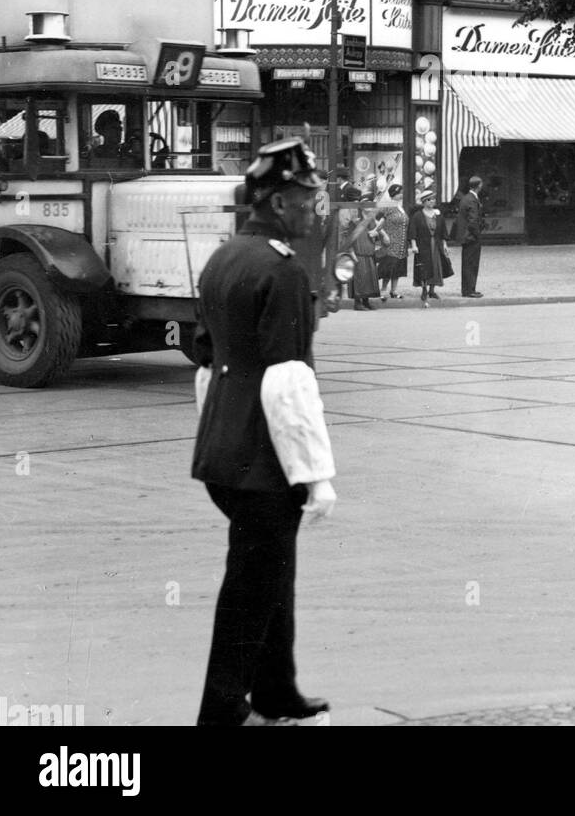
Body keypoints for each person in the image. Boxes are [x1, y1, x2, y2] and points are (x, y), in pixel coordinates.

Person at [191, 137, 336, 728]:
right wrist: (316, 474)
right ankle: (222, 711)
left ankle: (278, 692)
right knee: (252, 589)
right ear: (277, 202)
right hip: (265, 460)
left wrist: (217, 436)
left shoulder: (224, 258)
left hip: (225, 455)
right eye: (305, 197)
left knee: (272, 572)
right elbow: (288, 383)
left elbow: (206, 364)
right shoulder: (282, 271)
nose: (313, 209)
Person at [409, 190, 451, 307]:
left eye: (433, 199)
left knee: (436, 267)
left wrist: (445, 245)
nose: (432, 201)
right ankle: (424, 289)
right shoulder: (417, 216)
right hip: (423, 245)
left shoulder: (438, 215)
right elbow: (413, 231)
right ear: (423, 202)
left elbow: (443, 231)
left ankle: (432, 290)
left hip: (436, 245)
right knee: (423, 268)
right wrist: (413, 245)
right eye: (429, 199)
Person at [349, 202, 384, 311]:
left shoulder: (372, 221)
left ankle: (366, 301)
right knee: (360, 278)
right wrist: (351, 253)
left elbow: (377, 238)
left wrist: (376, 234)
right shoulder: (355, 222)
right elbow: (349, 239)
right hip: (358, 253)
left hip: (369, 253)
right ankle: (358, 303)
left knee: (369, 278)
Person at [376, 184, 409, 301]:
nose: (402, 194)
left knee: (398, 268)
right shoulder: (387, 206)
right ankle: (383, 290)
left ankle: (394, 290)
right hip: (391, 242)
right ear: (394, 194)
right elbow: (376, 218)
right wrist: (382, 233)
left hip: (401, 243)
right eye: (400, 192)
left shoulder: (400, 206)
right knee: (388, 267)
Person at [455, 175, 484, 298]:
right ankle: (469, 290)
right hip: (471, 237)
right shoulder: (472, 199)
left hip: (467, 236)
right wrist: (478, 235)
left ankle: (468, 288)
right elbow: (473, 220)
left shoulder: (466, 198)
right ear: (479, 185)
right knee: (471, 263)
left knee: (468, 263)